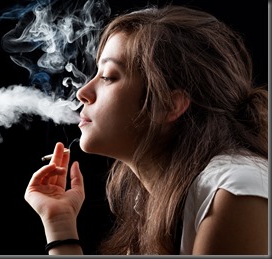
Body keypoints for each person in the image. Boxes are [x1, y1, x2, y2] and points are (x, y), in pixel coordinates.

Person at [24, 4, 268, 255]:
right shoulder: (151, 200)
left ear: (168, 105)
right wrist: (59, 223)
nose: (82, 93)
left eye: (107, 76)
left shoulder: (236, 191)